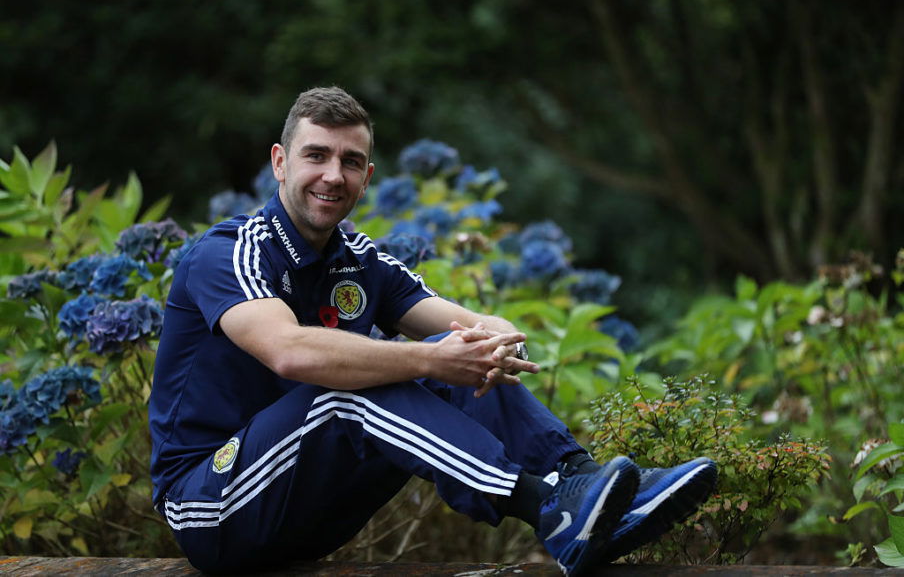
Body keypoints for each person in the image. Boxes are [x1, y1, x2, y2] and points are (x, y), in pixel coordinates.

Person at [149, 86, 717, 576]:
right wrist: (429, 359)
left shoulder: (361, 261)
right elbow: (289, 352)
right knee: (353, 388)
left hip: (306, 510)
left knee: (450, 354)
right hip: (210, 507)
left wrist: (494, 341)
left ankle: (584, 485)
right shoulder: (229, 252)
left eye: (351, 162)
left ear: (367, 178)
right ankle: (547, 508)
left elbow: (476, 325)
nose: (333, 175)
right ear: (280, 162)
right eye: (315, 155)